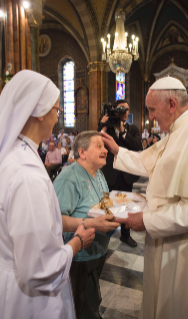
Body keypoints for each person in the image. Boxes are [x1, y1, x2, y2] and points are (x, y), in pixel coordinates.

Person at [101, 76, 188, 319]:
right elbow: (148, 160)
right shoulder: (178, 129)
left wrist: (147, 221)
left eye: (152, 110)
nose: (150, 117)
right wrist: (118, 150)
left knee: (176, 304)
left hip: (182, 247)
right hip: (165, 237)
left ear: (171, 104)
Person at [0, 70, 95, 319]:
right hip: (29, 300)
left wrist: (83, 222)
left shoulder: (17, 153)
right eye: (57, 109)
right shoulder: (26, 174)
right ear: (40, 112)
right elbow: (40, 268)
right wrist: (77, 242)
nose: (57, 117)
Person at [53, 131, 120, 319]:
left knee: (92, 300)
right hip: (78, 256)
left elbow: (104, 202)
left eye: (104, 146)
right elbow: (56, 220)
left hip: (97, 251)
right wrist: (91, 223)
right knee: (83, 308)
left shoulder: (98, 173)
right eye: (98, 146)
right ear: (82, 153)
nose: (105, 150)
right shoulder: (69, 177)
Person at [98, 99, 142, 247]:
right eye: (122, 109)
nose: (125, 112)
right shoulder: (107, 128)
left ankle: (125, 234)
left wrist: (123, 132)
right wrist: (102, 125)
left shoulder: (132, 129)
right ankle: (105, 233)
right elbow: (97, 142)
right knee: (107, 205)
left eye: (127, 109)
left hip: (126, 174)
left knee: (125, 205)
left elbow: (137, 146)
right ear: (115, 111)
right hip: (109, 173)